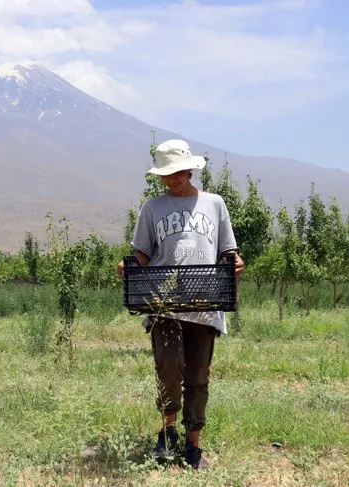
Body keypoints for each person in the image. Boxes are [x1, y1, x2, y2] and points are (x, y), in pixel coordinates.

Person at [117, 139, 244, 470]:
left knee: (198, 375)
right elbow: (143, 253)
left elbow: (227, 251)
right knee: (169, 367)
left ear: (189, 170)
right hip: (164, 303)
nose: (170, 180)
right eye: (165, 175)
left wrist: (236, 262)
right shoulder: (152, 208)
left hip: (205, 303)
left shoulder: (214, 204)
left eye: (176, 173)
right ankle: (167, 431)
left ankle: (193, 443)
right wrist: (129, 266)